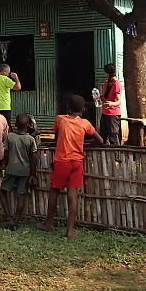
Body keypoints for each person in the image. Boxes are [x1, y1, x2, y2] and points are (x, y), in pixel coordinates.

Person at [39, 94, 103, 239]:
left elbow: (57, 139)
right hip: (77, 162)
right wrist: (84, 144)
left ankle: (48, 224)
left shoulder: (60, 119)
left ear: (67, 107)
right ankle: (70, 231)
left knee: (54, 191)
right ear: (83, 109)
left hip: (62, 161)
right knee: (73, 196)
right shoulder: (86, 123)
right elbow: (100, 140)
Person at [0, 113, 38, 230]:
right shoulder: (30, 139)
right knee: (21, 196)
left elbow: (5, 154)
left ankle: (8, 218)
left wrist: (6, 165)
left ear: (15, 125)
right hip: (25, 171)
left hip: (11, 169)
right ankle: (15, 221)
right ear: (28, 126)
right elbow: (33, 158)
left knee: (2, 191)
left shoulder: (10, 137)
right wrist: (33, 174)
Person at [98, 63, 122, 145]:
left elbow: (119, 101)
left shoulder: (116, 84)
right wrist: (99, 97)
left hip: (113, 113)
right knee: (104, 134)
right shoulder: (106, 83)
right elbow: (105, 97)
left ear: (107, 73)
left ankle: (117, 154)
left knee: (113, 135)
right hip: (105, 112)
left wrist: (111, 104)